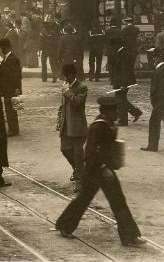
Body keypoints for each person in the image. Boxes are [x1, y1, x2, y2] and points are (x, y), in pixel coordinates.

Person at [55, 96, 145, 247]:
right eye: (114, 111)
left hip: (105, 170)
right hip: (94, 171)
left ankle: (130, 236)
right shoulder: (98, 126)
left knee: (118, 201)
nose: (117, 113)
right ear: (107, 111)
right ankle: (64, 226)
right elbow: (89, 152)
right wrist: (103, 168)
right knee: (84, 200)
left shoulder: (108, 124)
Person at [58, 62, 88, 185]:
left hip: (77, 126)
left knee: (77, 153)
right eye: (64, 76)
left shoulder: (82, 87)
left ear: (73, 74)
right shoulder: (65, 87)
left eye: (68, 76)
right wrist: (59, 119)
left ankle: (80, 181)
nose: (66, 78)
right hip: (66, 125)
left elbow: (77, 103)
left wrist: (67, 91)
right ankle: (79, 170)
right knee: (64, 149)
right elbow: (62, 105)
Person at [112, 32, 142, 126]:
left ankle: (123, 120)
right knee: (121, 99)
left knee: (119, 99)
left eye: (113, 45)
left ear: (117, 45)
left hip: (123, 82)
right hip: (122, 81)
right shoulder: (122, 52)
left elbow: (125, 71)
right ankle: (135, 112)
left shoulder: (124, 55)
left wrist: (123, 84)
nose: (112, 47)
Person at [142, 49, 164, 152]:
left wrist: (159, 103)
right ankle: (152, 145)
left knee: (154, 121)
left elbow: (162, 88)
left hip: (161, 102)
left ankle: (152, 146)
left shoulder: (161, 70)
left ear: (159, 57)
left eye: (154, 57)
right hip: (161, 101)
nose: (153, 59)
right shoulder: (162, 68)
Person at [0, 38, 23, 136]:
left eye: (2, 48)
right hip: (6, 88)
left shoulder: (13, 59)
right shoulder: (6, 58)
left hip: (11, 89)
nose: (1, 50)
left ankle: (13, 130)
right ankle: (13, 128)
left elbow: (17, 75)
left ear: (7, 47)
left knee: (11, 110)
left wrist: (17, 88)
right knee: (9, 109)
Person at [40, 16, 61, 83]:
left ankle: (54, 76)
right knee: (44, 63)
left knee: (52, 63)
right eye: (44, 23)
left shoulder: (53, 31)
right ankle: (44, 77)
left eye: (46, 23)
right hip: (45, 49)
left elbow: (57, 41)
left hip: (51, 49)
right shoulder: (43, 31)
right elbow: (41, 40)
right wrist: (40, 47)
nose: (45, 25)